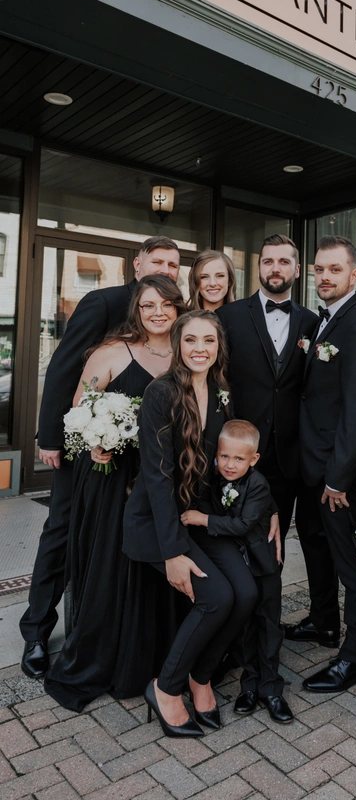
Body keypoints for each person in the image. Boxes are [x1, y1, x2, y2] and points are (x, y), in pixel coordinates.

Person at [21, 237, 180, 679]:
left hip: (144, 461)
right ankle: (36, 631)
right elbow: (64, 367)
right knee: (62, 531)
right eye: (158, 261)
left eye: (173, 263)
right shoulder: (104, 301)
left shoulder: (177, 320)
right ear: (138, 263)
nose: (166, 268)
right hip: (87, 449)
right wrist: (54, 437)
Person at [122, 311, 258, 738]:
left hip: (200, 514)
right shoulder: (159, 394)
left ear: (219, 347)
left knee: (247, 593)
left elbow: (230, 463)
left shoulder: (220, 391)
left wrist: (263, 509)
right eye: (192, 340)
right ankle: (165, 688)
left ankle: (202, 678)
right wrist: (173, 553)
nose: (200, 348)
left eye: (209, 341)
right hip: (158, 522)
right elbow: (158, 479)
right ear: (179, 344)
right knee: (216, 596)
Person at [290, 236, 356, 692]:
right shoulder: (325, 320)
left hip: (339, 476)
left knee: (352, 566)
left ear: (354, 275)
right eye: (319, 270)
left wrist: (338, 478)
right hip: (314, 465)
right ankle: (325, 622)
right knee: (316, 548)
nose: (324, 277)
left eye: (334, 269)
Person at [181, 419, 292, 724]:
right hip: (237, 566)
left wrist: (203, 520)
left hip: (262, 565)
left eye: (239, 458)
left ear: (254, 460)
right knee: (244, 629)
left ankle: (272, 689)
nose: (230, 465)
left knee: (268, 627)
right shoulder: (216, 479)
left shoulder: (257, 485)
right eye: (224, 456)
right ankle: (249, 687)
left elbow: (243, 524)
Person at [216, 235, 317, 546]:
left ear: (297, 270)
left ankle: (269, 595)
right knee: (231, 541)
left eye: (284, 261)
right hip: (236, 453)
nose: (276, 268)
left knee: (275, 544)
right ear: (258, 267)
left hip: (288, 458)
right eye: (269, 261)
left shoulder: (312, 323)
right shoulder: (228, 316)